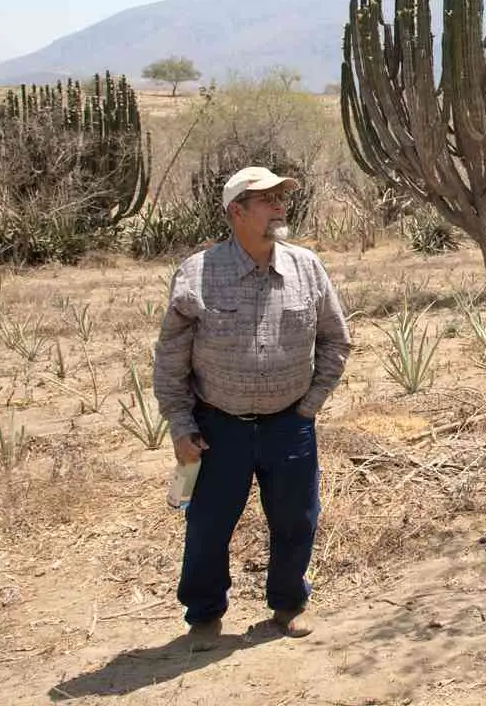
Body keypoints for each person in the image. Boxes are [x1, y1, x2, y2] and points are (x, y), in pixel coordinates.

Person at [152, 166, 351, 648]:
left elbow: (336, 340)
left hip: (290, 425)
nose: (280, 206)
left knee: (296, 519)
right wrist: (180, 426)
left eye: (282, 197)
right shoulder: (198, 272)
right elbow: (170, 360)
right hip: (218, 428)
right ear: (236, 211)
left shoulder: (307, 266)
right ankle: (203, 616)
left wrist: (310, 407)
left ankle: (288, 604)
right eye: (267, 199)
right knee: (207, 524)